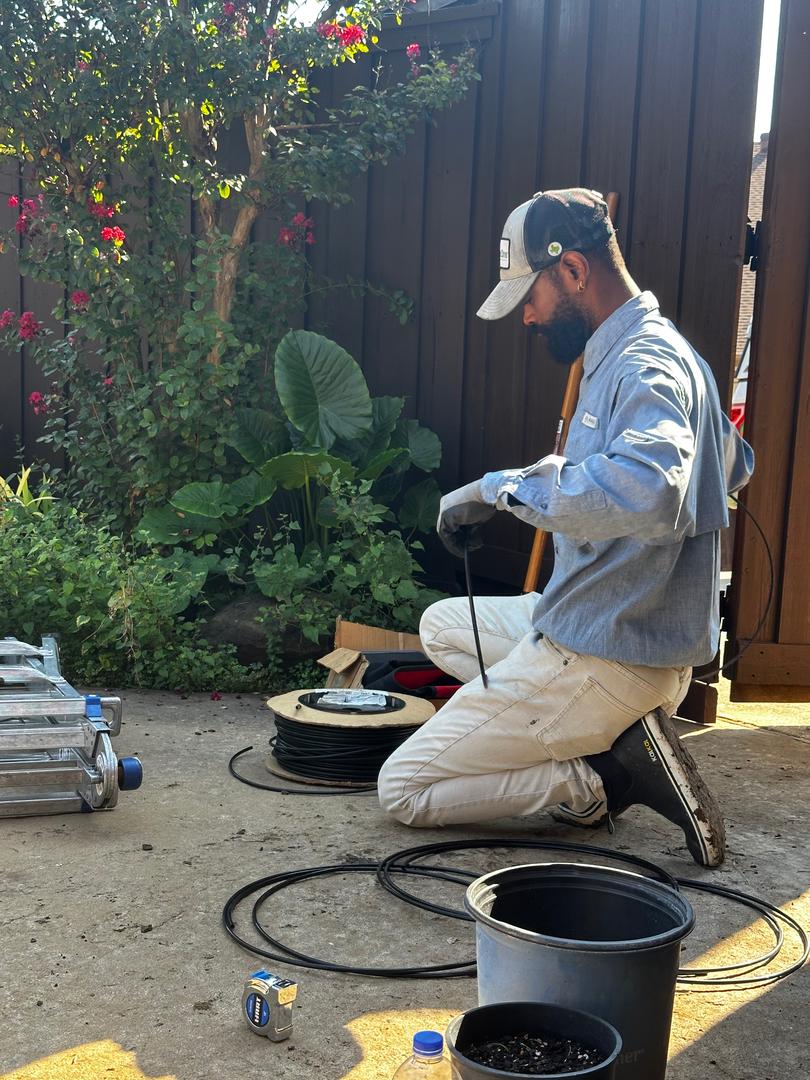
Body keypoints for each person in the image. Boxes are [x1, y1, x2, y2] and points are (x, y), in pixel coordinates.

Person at [377, 188, 754, 867]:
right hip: (609, 624)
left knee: (404, 788)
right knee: (441, 625)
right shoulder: (663, 352)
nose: (527, 316)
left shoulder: (643, 363)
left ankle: (602, 777)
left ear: (574, 270)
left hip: (610, 654)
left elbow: (651, 488)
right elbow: (733, 464)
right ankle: (613, 733)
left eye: (531, 295)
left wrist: (502, 489)